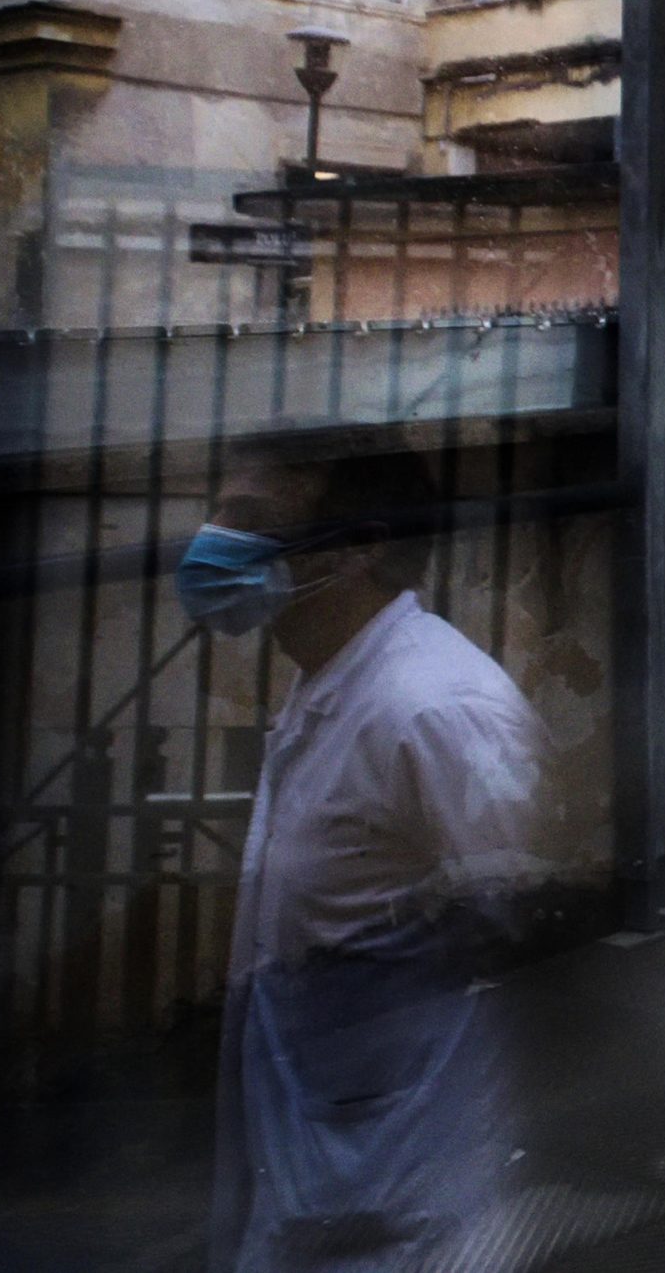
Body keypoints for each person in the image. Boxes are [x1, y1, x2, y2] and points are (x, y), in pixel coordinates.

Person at [181, 447, 545, 1272]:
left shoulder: (437, 705)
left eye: (251, 524)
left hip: (397, 1142)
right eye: (220, 515)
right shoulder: (331, 677)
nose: (214, 543)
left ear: (360, 547)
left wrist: (376, 987)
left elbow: (521, 920)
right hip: (322, 1110)